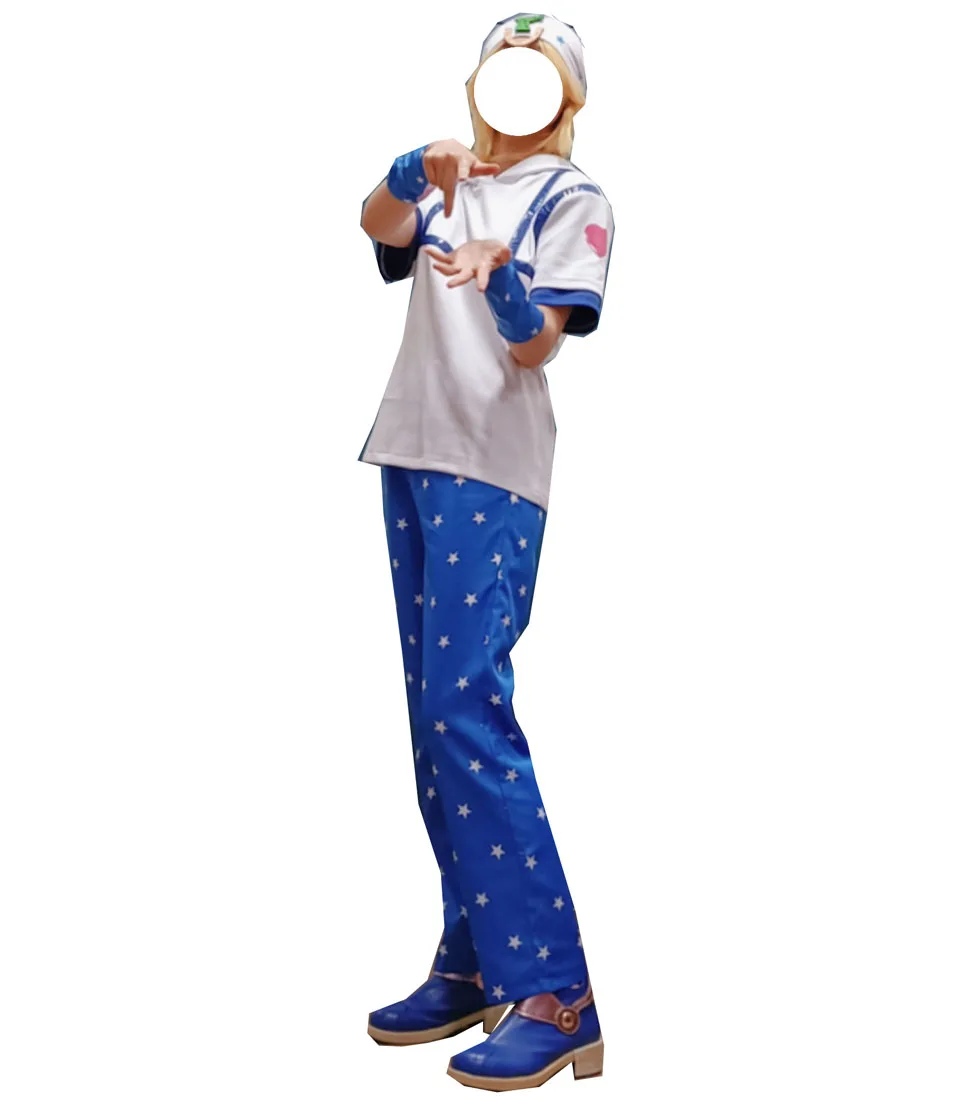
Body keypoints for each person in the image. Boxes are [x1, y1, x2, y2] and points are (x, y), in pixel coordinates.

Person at [357, 12, 614, 1090]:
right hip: (413, 451)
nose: (515, 89)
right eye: (501, 69)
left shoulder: (572, 197)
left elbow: (538, 343)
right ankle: (471, 961)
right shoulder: (449, 176)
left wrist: (502, 274)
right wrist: (410, 169)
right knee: (435, 721)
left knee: (467, 711)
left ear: (564, 95)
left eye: (536, 73)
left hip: (491, 468)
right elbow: (374, 225)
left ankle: (555, 990)